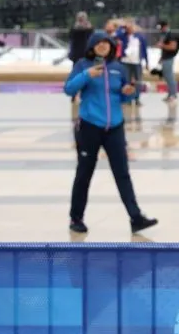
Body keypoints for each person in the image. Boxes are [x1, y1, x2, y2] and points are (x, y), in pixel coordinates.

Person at [63, 32, 158, 234]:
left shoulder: (118, 68)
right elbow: (69, 89)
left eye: (107, 43)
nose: (103, 46)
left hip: (114, 127)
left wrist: (128, 93)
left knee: (122, 173)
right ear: (92, 46)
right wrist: (87, 75)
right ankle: (76, 218)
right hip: (89, 126)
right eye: (99, 43)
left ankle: (136, 217)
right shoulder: (82, 65)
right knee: (84, 173)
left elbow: (123, 95)